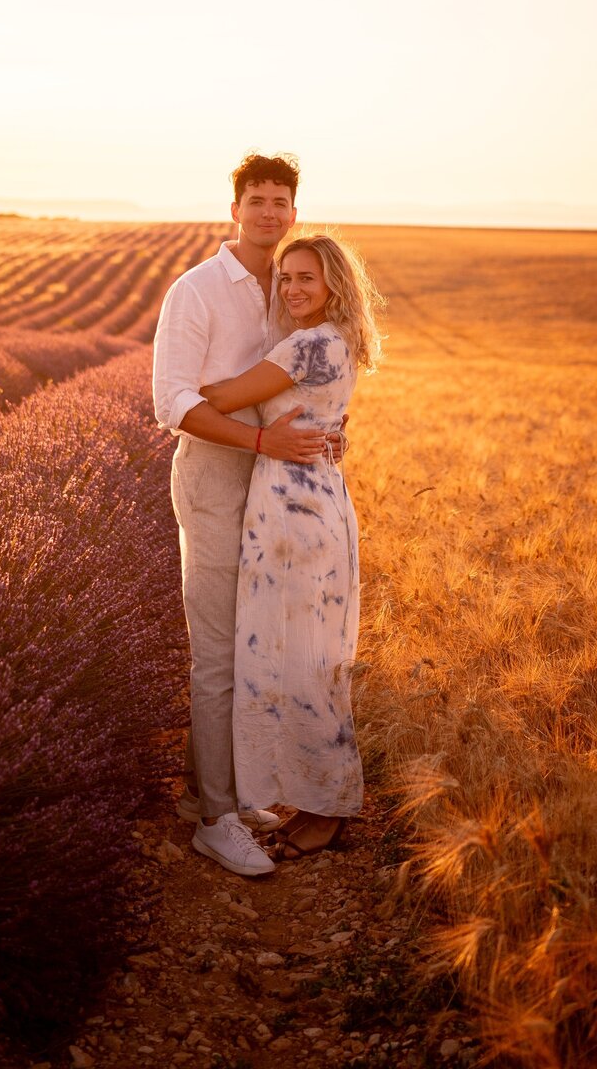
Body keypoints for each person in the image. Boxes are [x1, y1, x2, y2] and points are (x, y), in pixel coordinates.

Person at [153, 153, 332, 878]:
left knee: (252, 645)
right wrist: (263, 439)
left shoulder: (290, 288)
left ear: (295, 212)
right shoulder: (195, 291)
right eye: (255, 199)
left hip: (273, 482)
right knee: (219, 651)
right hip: (216, 477)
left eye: (280, 201)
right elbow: (172, 404)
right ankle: (217, 822)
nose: (268, 212)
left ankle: (216, 792)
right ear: (234, 210)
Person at [199, 235, 383, 859]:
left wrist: (192, 377)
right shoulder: (336, 340)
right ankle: (313, 797)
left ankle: (327, 808)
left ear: (334, 283)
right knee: (311, 652)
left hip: (295, 512)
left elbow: (221, 400)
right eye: (286, 278)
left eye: (308, 277)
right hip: (311, 499)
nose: (294, 288)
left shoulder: (306, 343)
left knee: (306, 658)